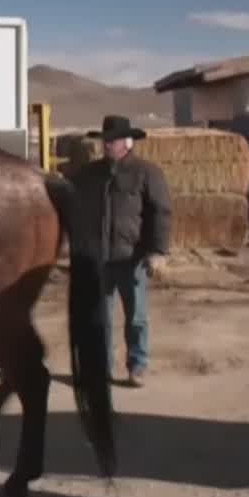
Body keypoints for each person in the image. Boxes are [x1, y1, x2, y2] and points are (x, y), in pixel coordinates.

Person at [69, 115, 173, 387]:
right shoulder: (89, 175)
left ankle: (137, 365)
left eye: (112, 141)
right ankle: (101, 368)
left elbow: (161, 213)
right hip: (99, 259)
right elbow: (71, 202)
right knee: (100, 319)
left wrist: (158, 251)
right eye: (105, 141)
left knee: (136, 317)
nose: (106, 145)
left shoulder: (147, 173)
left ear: (127, 142)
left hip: (132, 258)